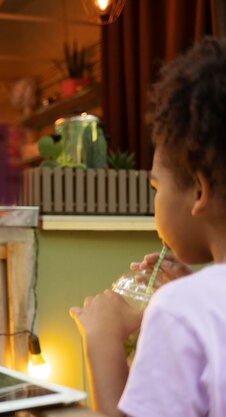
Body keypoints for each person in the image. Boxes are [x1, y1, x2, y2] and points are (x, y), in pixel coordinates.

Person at [69, 37, 226, 417]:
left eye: (156, 186)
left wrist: (102, 338)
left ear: (199, 190)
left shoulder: (180, 311)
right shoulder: (193, 304)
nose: (153, 198)